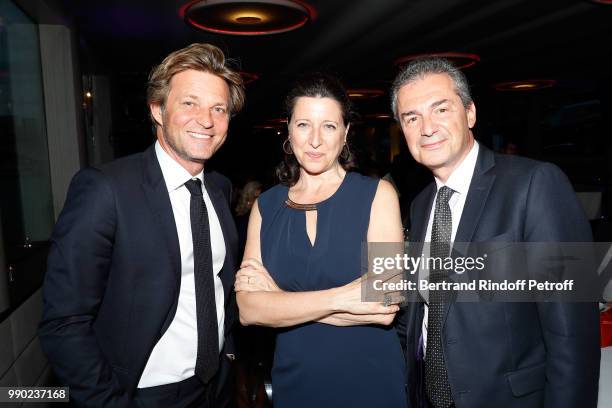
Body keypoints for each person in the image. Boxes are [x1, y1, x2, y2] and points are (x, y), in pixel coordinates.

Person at [39, 43, 245, 407]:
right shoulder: (105, 189)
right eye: (189, 103)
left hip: (216, 388)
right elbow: (64, 322)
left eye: (219, 108)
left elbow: (216, 289)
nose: (207, 120)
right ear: (157, 110)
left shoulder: (219, 188)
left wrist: (227, 356)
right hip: (142, 394)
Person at [391, 57, 600, 408]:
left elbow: (573, 334)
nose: (427, 127)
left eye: (440, 109)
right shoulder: (421, 203)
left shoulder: (535, 184)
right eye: (412, 118)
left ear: (470, 113)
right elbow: (422, 310)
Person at [234, 73, 407, 407]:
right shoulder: (266, 206)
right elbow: (249, 310)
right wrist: (347, 299)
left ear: (345, 134)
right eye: (303, 125)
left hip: (370, 380)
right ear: (287, 131)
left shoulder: (378, 195)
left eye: (328, 126)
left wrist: (281, 300)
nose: (315, 140)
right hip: (296, 381)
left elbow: (385, 304)